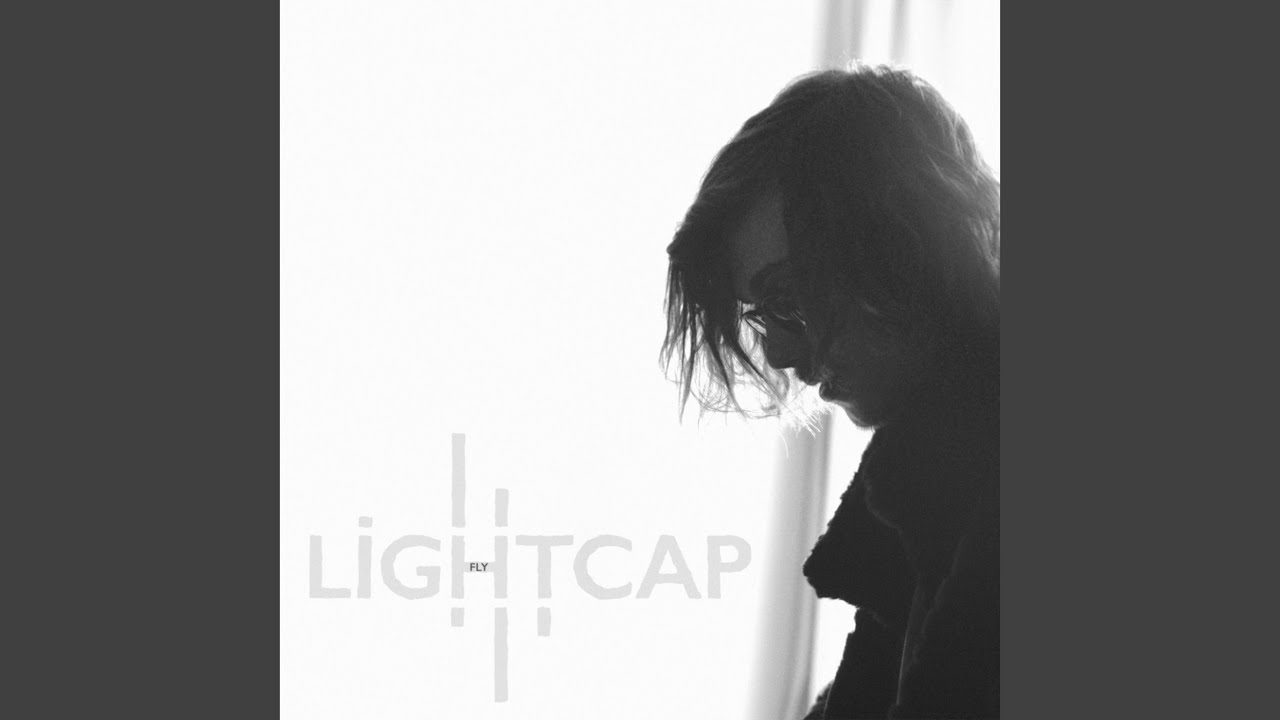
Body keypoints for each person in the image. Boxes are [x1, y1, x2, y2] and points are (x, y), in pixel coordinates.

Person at [660, 65, 1000, 718]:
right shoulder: (925, 488)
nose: (779, 353)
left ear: (901, 246)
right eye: (761, 314)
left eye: (790, 296)